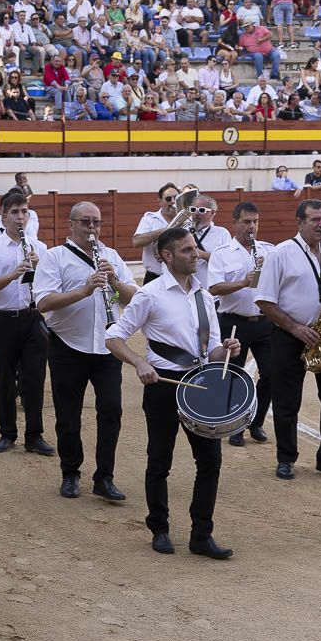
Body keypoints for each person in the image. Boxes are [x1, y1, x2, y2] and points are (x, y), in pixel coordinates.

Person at [105, 227, 242, 559]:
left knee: (210, 460)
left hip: (202, 382)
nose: (195, 254)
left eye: (195, 249)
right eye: (186, 250)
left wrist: (227, 350)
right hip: (163, 384)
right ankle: (160, 528)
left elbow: (209, 353)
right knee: (160, 459)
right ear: (166, 256)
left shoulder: (205, 297)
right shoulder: (149, 294)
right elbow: (113, 336)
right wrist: (138, 361)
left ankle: (201, 535)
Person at [34, 201, 137, 502]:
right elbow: (43, 303)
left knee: (111, 411)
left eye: (96, 223)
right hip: (68, 345)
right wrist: (83, 289)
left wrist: (114, 281)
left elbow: (132, 299)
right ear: (72, 225)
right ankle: (70, 473)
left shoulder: (112, 257)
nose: (92, 229)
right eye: (86, 222)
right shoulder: (55, 257)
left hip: (107, 347)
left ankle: (104, 477)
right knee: (68, 415)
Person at [255, 199, 321, 482]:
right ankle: (286, 458)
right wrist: (295, 327)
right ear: (300, 222)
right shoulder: (281, 253)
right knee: (287, 401)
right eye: (315, 220)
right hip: (289, 336)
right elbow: (264, 299)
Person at [0, 190, 55, 456]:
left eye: (24, 212)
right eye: (14, 212)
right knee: (6, 379)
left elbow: (49, 285)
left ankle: (35, 436)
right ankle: (7, 433)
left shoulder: (40, 247)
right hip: (2, 320)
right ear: (3, 216)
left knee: (35, 379)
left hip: (32, 317)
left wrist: (38, 265)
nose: (20, 217)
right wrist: (14, 273)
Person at [207, 201, 275, 447]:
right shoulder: (222, 253)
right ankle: (236, 425)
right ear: (235, 223)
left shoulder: (269, 251)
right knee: (234, 376)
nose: (252, 227)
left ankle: (255, 423)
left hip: (265, 321)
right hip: (234, 322)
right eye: (246, 222)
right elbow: (214, 287)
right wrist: (244, 282)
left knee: (271, 374)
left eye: (255, 222)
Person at [132, 183, 183, 285]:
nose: (173, 202)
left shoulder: (187, 220)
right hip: (155, 277)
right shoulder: (150, 219)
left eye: (176, 198)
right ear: (160, 201)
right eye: (168, 199)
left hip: (179, 276)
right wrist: (161, 232)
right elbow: (136, 241)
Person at [188, 195, 232, 276]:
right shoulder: (183, 231)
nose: (196, 213)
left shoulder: (222, 233)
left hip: (210, 285)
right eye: (193, 209)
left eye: (202, 210)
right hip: (185, 285)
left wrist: (202, 255)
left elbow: (228, 261)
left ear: (212, 213)